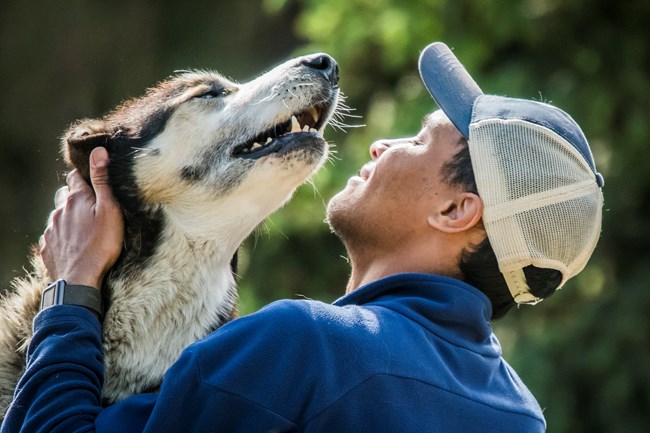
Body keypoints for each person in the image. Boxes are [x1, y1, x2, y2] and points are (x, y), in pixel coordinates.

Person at [1, 42, 603, 432]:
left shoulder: (307, 350)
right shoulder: (518, 416)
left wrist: (73, 287)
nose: (381, 145)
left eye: (419, 142)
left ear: (456, 209)